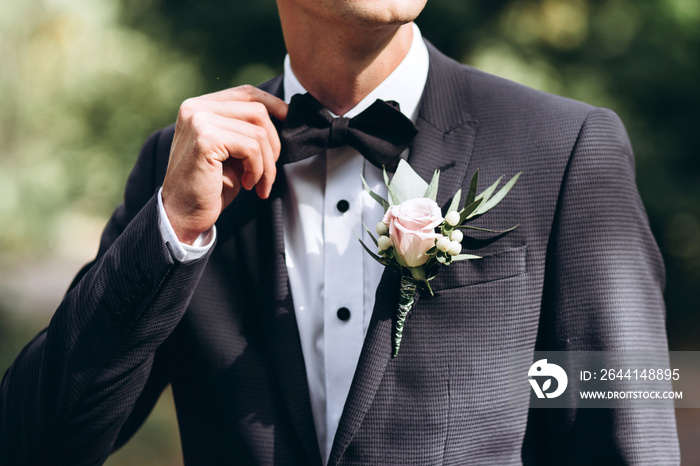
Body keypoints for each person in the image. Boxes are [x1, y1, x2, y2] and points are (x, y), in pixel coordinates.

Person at [0, 0, 680, 464]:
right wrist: (172, 227)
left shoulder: (564, 148)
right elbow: (37, 442)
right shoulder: (178, 171)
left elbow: (628, 434)